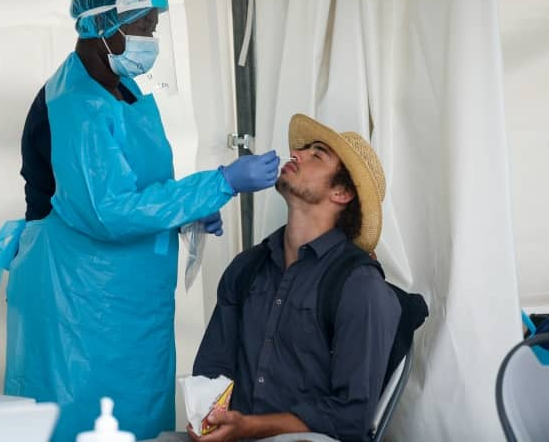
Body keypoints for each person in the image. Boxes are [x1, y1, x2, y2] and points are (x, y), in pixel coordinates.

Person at [0, 0, 280, 442]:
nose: (150, 40)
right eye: (142, 29)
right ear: (102, 27)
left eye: (154, 29)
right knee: (77, 420)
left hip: (129, 303)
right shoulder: (75, 103)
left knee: (137, 421)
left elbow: (139, 186)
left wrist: (187, 210)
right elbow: (107, 210)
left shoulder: (122, 89)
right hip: (75, 299)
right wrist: (217, 184)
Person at [146, 113, 403, 442]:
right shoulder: (246, 268)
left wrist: (252, 427)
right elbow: (213, 372)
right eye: (301, 150)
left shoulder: (359, 285)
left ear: (341, 193)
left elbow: (351, 417)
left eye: (317, 155)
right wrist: (207, 418)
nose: (297, 154)